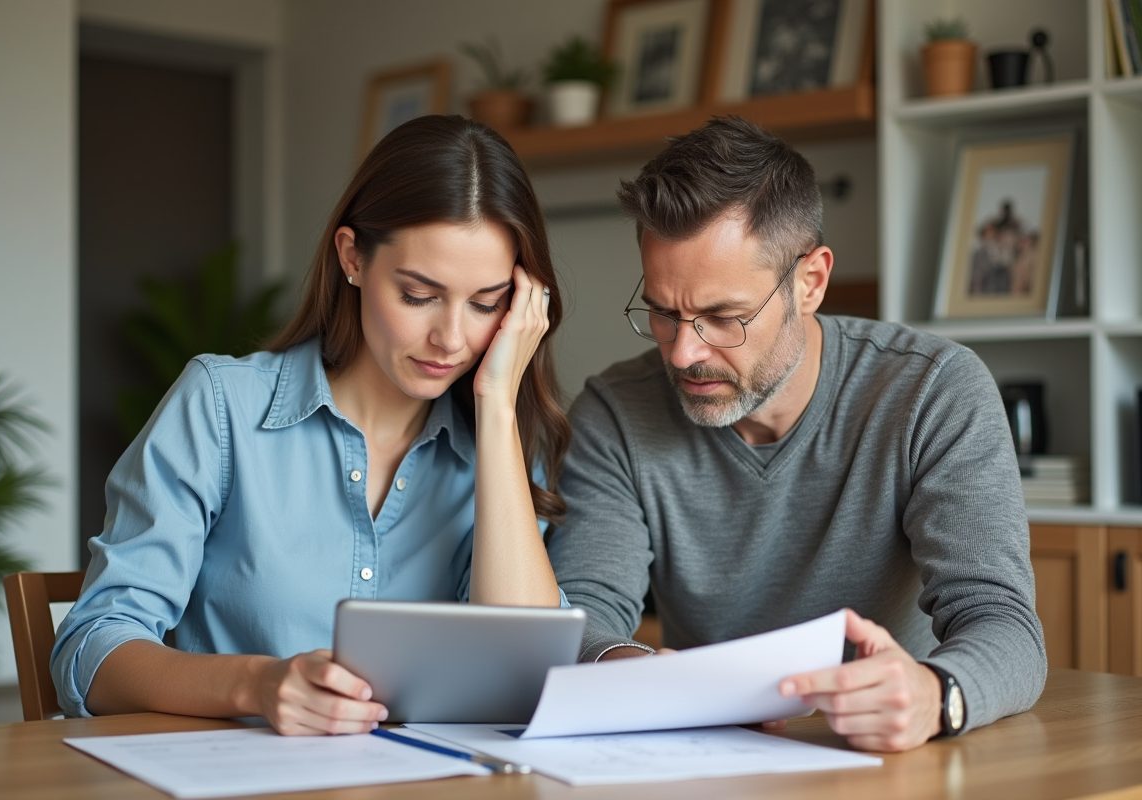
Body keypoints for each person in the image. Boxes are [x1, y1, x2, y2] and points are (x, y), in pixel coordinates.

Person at [52, 115, 571, 735]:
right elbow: (91, 652)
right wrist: (258, 684)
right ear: (353, 258)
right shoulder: (222, 407)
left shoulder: (502, 452)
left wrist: (494, 404)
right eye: (418, 295)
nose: (452, 338)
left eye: (486, 304)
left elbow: (522, 678)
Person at [547, 116, 1046, 753]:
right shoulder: (614, 413)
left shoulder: (932, 392)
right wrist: (634, 672)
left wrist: (934, 693)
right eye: (663, 313)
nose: (682, 353)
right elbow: (584, 616)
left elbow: (1002, 623)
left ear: (810, 282)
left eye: (723, 317)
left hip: (891, 759)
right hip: (703, 754)